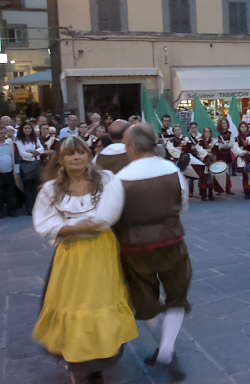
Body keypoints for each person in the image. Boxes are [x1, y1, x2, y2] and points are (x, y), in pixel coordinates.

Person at [32, 136, 137, 384]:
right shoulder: (50, 189)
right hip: (72, 254)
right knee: (75, 304)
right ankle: (77, 363)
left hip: (102, 251)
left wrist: (93, 224)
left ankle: (100, 360)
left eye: (81, 152)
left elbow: (112, 212)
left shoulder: (107, 180)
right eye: (70, 153)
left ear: (89, 155)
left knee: (103, 300)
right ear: (61, 159)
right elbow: (45, 222)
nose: (76, 157)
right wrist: (75, 229)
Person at [115, 124, 191, 380]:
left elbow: (111, 216)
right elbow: (182, 204)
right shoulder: (173, 171)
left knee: (145, 300)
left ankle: (165, 347)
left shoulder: (121, 178)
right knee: (176, 295)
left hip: (135, 248)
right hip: (172, 241)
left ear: (132, 146)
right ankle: (167, 348)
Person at [15, 123, 44, 214]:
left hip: (36, 165)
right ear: (22, 130)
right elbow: (23, 154)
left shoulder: (35, 139)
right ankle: (29, 208)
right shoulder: (19, 140)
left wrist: (33, 152)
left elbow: (42, 149)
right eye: (25, 128)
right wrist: (35, 154)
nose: (28, 130)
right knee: (28, 188)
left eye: (29, 128)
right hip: (26, 166)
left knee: (36, 187)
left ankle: (37, 208)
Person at [234, 121, 250, 199]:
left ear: (247, 128)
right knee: (245, 175)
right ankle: (246, 192)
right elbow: (236, 148)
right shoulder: (237, 138)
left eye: (244, 127)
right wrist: (243, 152)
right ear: (239, 128)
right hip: (242, 157)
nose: (243, 128)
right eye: (241, 127)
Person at [0, 126, 17, 217]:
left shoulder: (9, 142)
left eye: (3, 133)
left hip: (9, 171)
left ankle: (12, 211)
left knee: (11, 192)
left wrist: (15, 169)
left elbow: (13, 156)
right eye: (0, 133)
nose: (1, 135)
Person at [214, 117, 234, 195]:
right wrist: (223, 145)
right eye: (222, 123)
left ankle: (228, 188)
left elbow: (232, 144)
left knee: (228, 172)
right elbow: (216, 144)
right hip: (219, 154)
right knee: (219, 171)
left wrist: (225, 145)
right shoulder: (217, 133)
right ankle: (219, 189)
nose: (224, 125)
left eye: (225, 123)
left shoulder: (230, 133)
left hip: (227, 154)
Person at [195, 126, 216, 201]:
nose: (207, 133)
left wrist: (212, 154)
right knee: (203, 178)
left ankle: (210, 194)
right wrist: (207, 153)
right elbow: (199, 150)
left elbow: (215, 150)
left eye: (209, 131)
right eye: (206, 131)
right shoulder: (200, 141)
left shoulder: (214, 141)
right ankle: (203, 195)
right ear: (203, 133)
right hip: (203, 162)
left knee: (211, 178)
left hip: (211, 162)